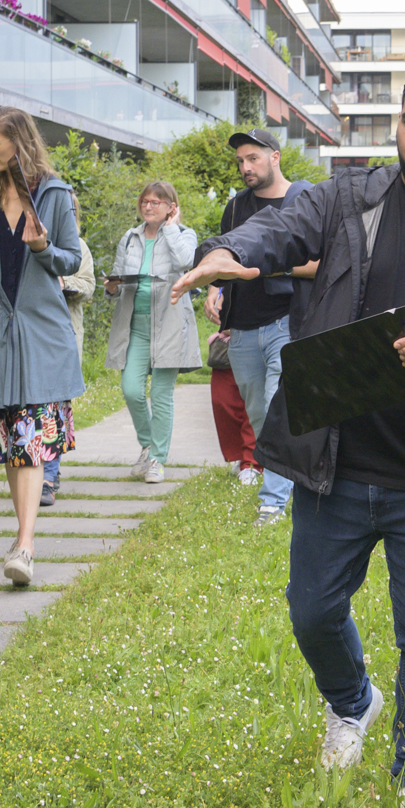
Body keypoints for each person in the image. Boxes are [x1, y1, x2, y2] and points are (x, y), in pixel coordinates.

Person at [173, 63, 405, 808]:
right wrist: (227, 249)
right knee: (311, 610)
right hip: (333, 458)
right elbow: (279, 224)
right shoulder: (350, 198)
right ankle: (353, 702)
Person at [0, 107, 86, 586]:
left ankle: (25, 545)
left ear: (18, 142)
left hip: (41, 335)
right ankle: (22, 535)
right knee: (12, 444)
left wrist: (42, 248)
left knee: (30, 441)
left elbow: (71, 257)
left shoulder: (54, 193)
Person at [206, 129, 316, 525]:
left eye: (252, 158)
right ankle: (296, 476)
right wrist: (216, 288)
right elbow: (227, 254)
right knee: (258, 416)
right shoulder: (236, 207)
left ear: (275, 157)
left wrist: (271, 265)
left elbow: (327, 262)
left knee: (276, 408)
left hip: (289, 321)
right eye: (239, 161)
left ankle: (273, 503)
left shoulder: (304, 201)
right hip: (243, 328)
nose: (245, 167)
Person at [105, 181, 202, 483]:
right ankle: (148, 444)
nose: (148, 206)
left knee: (161, 394)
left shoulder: (185, 234)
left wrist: (171, 228)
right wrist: (112, 287)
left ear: (171, 208)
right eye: (145, 201)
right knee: (131, 389)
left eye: (156, 202)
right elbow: (118, 275)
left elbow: (187, 263)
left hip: (170, 322)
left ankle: (158, 459)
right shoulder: (130, 237)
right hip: (135, 324)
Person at [42, 194, 97, 508]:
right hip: (32, 338)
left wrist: (64, 284)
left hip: (63, 337)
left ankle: (49, 476)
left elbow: (87, 285)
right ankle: (41, 470)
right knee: (37, 405)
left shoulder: (79, 246)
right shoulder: (29, 242)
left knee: (56, 404)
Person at [208, 335, 263, 483]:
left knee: (254, 404)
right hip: (230, 336)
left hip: (261, 332)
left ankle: (251, 464)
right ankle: (242, 455)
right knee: (221, 399)